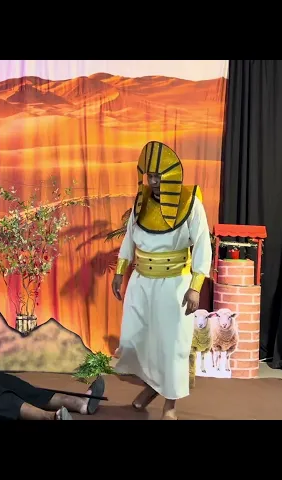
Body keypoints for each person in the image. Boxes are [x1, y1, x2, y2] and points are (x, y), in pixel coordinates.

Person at [111, 140, 212, 420]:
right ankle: (150, 389)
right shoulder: (141, 201)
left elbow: (203, 245)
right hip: (141, 282)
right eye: (150, 176)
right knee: (139, 342)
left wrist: (195, 287)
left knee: (172, 345)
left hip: (175, 284)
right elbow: (130, 237)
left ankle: (170, 405)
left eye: (158, 176)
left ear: (171, 176)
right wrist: (120, 271)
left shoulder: (190, 203)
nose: (153, 182)